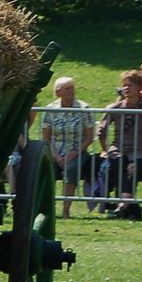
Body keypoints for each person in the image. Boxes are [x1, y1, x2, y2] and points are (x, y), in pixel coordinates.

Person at [98, 71, 142, 219]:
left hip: (141, 150)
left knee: (132, 171)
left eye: (131, 85)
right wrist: (104, 149)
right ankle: (131, 209)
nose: (127, 88)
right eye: (124, 85)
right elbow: (101, 131)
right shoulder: (114, 108)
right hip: (118, 148)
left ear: (140, 87)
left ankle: (122, 206)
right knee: (117, 166)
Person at [39, 76, 96, 218]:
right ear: (58, 92)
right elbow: (46, 138)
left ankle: (66, 210)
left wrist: (75, 153)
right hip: (55, 151)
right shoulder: (50, 109)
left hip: (78, 151)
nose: (71, 91)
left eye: (72, 88)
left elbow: (89, 137)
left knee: (71, 169)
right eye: (67, 89)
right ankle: (45, 210)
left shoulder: (84, 108)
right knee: (46, 170)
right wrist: (56, 156)